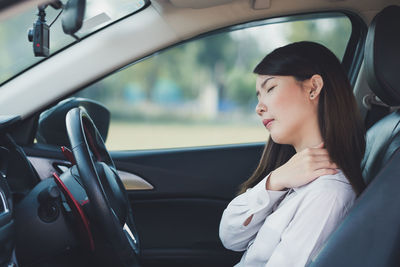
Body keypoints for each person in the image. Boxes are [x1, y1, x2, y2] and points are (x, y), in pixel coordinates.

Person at [219, 41, 366, 267]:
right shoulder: (290, 176)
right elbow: (230, 237)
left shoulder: (327, 193)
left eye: (270, 88)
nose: (258, 107)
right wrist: (275, 181)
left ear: (313, 88)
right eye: (258, 95)